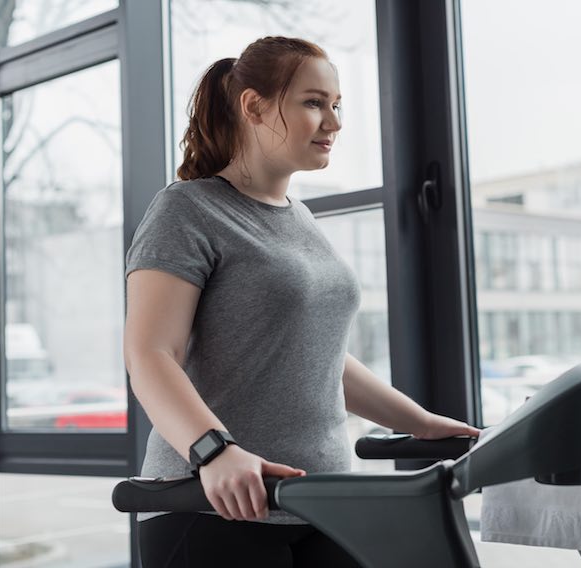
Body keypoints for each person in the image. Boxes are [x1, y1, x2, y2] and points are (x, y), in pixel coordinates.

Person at [124, 36, 480, 567]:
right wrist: (213, 451)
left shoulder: (301, 218)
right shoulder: (186, 210)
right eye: (314, 103)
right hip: (213, 507)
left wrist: (420, 422)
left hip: (324, 501)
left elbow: (319, 356)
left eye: (336, 105)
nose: (333, 122)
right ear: (254, 106)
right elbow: (150, 353)